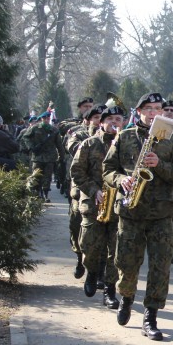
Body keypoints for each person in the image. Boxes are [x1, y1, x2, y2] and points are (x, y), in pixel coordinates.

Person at [103, 92, 173, 341]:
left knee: (160, 268)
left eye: (158, 108)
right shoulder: (125, 136)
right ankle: (127, 298)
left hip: (162, 214)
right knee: (127, 264)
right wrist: (122, 180)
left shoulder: (172, 140)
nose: (154, 113)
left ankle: (150, 317)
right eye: (148, 108)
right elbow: (108, 170)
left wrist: (159, 164)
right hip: (131, 212)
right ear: (139, 111)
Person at [70, 106, 125, 308]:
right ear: (101, 122)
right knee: (90, 246)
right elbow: (76, 171)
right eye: (110, 119)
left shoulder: (127, 144)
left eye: (118, 119)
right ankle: (92, 272)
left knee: (115, 251)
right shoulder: (90, 144)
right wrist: (94, 190)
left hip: (118, 204)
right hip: (94, 203)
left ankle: (110, 291)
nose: (114, 123)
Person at [65, 106, 106, 280]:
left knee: (101, 232)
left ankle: (98, 272)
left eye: (102, 117)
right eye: (96, 117)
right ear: (89, 120)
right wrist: (95, 140)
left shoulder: (115, 138)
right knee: (77, 228)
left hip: (104, 193)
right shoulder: (80, 136)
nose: (99, 120)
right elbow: (73, 148)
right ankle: (80, 257)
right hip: (80, 191)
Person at [22, 111, 65, 202]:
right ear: (41, 119)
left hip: (50, 157)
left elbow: (59, 144)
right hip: (37, 157)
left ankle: (46, 194)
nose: (46, 120)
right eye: (44, 118)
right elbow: (26, 137)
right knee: (36, 176)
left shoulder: (54, 130)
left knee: (47, 177)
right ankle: (37, 193)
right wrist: (31, 147)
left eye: (48, 118)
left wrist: (61, 156)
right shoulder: (35, 128)